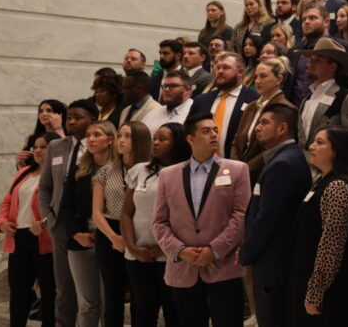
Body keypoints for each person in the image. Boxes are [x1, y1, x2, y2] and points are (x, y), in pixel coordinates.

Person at [151, 113, 251, 327]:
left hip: (222, 265)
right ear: (190, 139)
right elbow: (159, 222)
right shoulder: (168, 175)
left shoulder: (237, 169)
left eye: (215, 130)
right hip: (182, 266)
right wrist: (179, 250)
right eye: (206, 131)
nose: (213, 135)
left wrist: (213, 250)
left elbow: (241, 215)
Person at [287, 128, 348, 325]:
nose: (311, 147)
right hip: (309, 279)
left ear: (337, 150)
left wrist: (316, 291)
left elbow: (332, 243)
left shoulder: (338, 187)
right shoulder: (322, 180)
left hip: (331, 291)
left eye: (320, 142)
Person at [241, 104, 311, 327]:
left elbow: (268, 218)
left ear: (282, 128)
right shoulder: (283, 158)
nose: (257, 128)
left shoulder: (284, 163)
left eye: (264, 123)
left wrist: (246, 252)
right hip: (274, 260)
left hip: (275, 262)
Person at [122, 122, 190, 327]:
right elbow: (126, 213)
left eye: (163, 139)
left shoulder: (186, 172)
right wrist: (132, 247)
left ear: (177, 143)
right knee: (143, 311)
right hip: (138, 253)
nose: (156, 143)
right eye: (155, 139)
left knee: (174, 311)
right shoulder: (139, 170)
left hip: (171, 255)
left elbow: (187, 218)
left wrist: (162, 248)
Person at [39, 99, 97, 327]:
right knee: (63, 287)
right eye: (69, 117)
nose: (71, 121)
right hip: (59, 223)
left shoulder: (98, 146)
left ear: (92, 120)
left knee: (92, 289)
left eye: (78, 117)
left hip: (90, 223)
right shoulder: (56, 146)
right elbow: (44, 187)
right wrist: (47, 218)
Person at [91, 121, 150, 327]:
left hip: (141, 232)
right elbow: (97, 212)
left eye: (127, 136)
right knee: (113, 295)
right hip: (110, 232)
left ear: (140, 140)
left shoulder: (151, 171)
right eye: (120, 136)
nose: (121, 140)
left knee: (140, 296)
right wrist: (114, 237)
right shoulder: (107, 171)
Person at [60, 120, 118, 327]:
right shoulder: (80, 170)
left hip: (111, 241)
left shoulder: (121, 170)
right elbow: (65, 207)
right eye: (89, 135)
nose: (90, 140)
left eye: (97, 135)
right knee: (87, 303)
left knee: (109, 302)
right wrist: (76, 234)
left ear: (110, 139)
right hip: (81, 241)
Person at [0, 132, 58, 327]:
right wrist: (2, 223)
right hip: (18, 236)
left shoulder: (57, 175)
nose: (38, 150)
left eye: (43, 146)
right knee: (18, 290)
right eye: (35, 147)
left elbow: (60, 205)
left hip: (43, 237)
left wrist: (43, 223)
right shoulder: (23, 172)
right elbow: (7, 202)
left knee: (49, 291)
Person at [230, 57, 296, 181]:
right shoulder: (251, 106)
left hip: (266, 175)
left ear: (279, 79)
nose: (257, 81)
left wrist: (245, 170)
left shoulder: (286, 109)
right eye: (256, 77)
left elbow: (274, 147)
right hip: (241, 173)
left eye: (263, 76)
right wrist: (236, 166)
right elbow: (236, 140)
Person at [187, 52, 259, 159]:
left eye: (226, 68)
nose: (220, 71)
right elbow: (189, 131)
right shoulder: (201, 100)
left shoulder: (254, 100)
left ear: (240, 72)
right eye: (217, 68)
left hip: (236, 165)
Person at [296, 39, 348, 148]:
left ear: (332, 67)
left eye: (317, 60)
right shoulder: (307, 99)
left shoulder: (345, 97)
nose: (310, 64)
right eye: (311, 60)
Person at [141, 70, 194, 135]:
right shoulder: (152, 113)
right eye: (165, 86)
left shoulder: (194, 112)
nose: (167, 89)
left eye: (173, 86)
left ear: (187, 90)